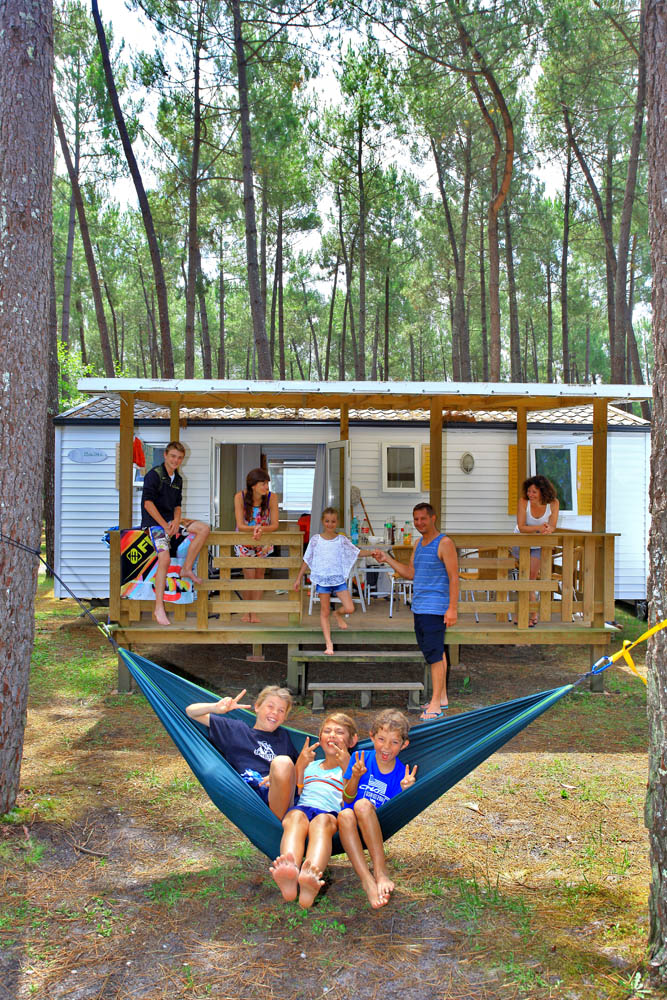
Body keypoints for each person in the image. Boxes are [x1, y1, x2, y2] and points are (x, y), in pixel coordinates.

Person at [373, 502, 458, 722]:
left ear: (433, 518)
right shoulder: (418, 544)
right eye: (416, 519)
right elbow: (410, 573)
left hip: (436, 607)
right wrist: (388, 559)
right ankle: (443, 697)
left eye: (423, 518)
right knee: (436, 652)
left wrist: (452, 608)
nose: (419, 523)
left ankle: (436, 704)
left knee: (434, 655)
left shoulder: (445, 543)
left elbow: (454, 577)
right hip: (419, 606)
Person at [270, 712, 358, 908]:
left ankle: (311, 875)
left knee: (321, 823)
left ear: (352, 741)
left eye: (339, 732)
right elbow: (298, 791)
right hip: (303, 808)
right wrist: (300, 766)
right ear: (320, 738)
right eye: (327, 731)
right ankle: (290, 870)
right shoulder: (312, 766)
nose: (332, 735)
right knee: (295, 818)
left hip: (329, 814)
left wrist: (347, 769)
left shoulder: (356, 768)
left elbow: (350, 798)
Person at [338, 709, 417, 909]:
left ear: (404, 745)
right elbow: (346, 798)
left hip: (378, 824)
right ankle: (367, 880)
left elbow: (398, 813)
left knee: (362, 805)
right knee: (346, 812)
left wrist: (406, 791)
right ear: (372, 737)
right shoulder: (359, 758)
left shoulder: (401, 773)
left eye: (394, 742)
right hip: (350, 822)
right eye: (381, 739)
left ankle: (380, 873)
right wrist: (355, 776)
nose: (386, 747)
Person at [185, 685, 298, 820]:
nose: (275, 712)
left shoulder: (283, 737)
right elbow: (191, 711)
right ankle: (277, 827)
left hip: (286, 797)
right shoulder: (237, 730)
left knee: (283, 764)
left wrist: (278, 776)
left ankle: (281, 826)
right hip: (256, 798)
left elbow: (297, 771)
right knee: (282, 762)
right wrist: (215, 708)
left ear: (284, 717)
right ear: (257, 707)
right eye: (270, 706)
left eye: (281, 710)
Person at [141, 441, 210, 626]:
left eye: (179, 458)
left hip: (171, 523)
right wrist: (165, 525)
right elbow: (148, 504)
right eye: (173, 456)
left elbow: (178, 505)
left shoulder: (178, 479)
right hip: (154, 526)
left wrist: (177, 521)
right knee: (164, 559)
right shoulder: (153, 475)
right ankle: (158, 608)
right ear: (165, 455)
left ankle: (187, 569)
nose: (176, 460)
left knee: (204, 529)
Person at [293, 507, 372, 654]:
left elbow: (356, 551)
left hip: (338, 579)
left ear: (337, 523)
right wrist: (298, 579)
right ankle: (329, 643)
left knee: (350, 608)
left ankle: (338, 614)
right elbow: (306, 560)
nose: (330, 524)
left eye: (333, 521)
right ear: (323, 522)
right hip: (323, 580)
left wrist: (372, 552)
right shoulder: (315, 540)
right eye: (327, 521)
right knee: (324, 612)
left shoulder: (341, 540)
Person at [234, 467, 280, 623]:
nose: (266, 487)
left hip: (263, 541)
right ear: (253, 485)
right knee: (249, 577)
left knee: (259, 576)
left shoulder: (272, 498)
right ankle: (247, 611)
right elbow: (240, 525)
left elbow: (274, 525)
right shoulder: (239, 497)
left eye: (267, 483)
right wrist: (255, 529)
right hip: (245, 542)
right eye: (263, 483)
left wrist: (261, 530)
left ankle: (255, 612)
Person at [513, 475, 560, 627]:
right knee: (526, 577)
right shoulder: (523, 502)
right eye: (529, 491)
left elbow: (552, 526)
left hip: (539, 544)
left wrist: (547, 530)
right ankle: (530, 614)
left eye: (534, 492)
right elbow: (521, 527)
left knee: (528, 579)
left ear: (543, 492)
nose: (530, 495)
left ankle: (524, 614)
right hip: (521, 542)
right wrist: (539, 528)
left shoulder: (553, 504)